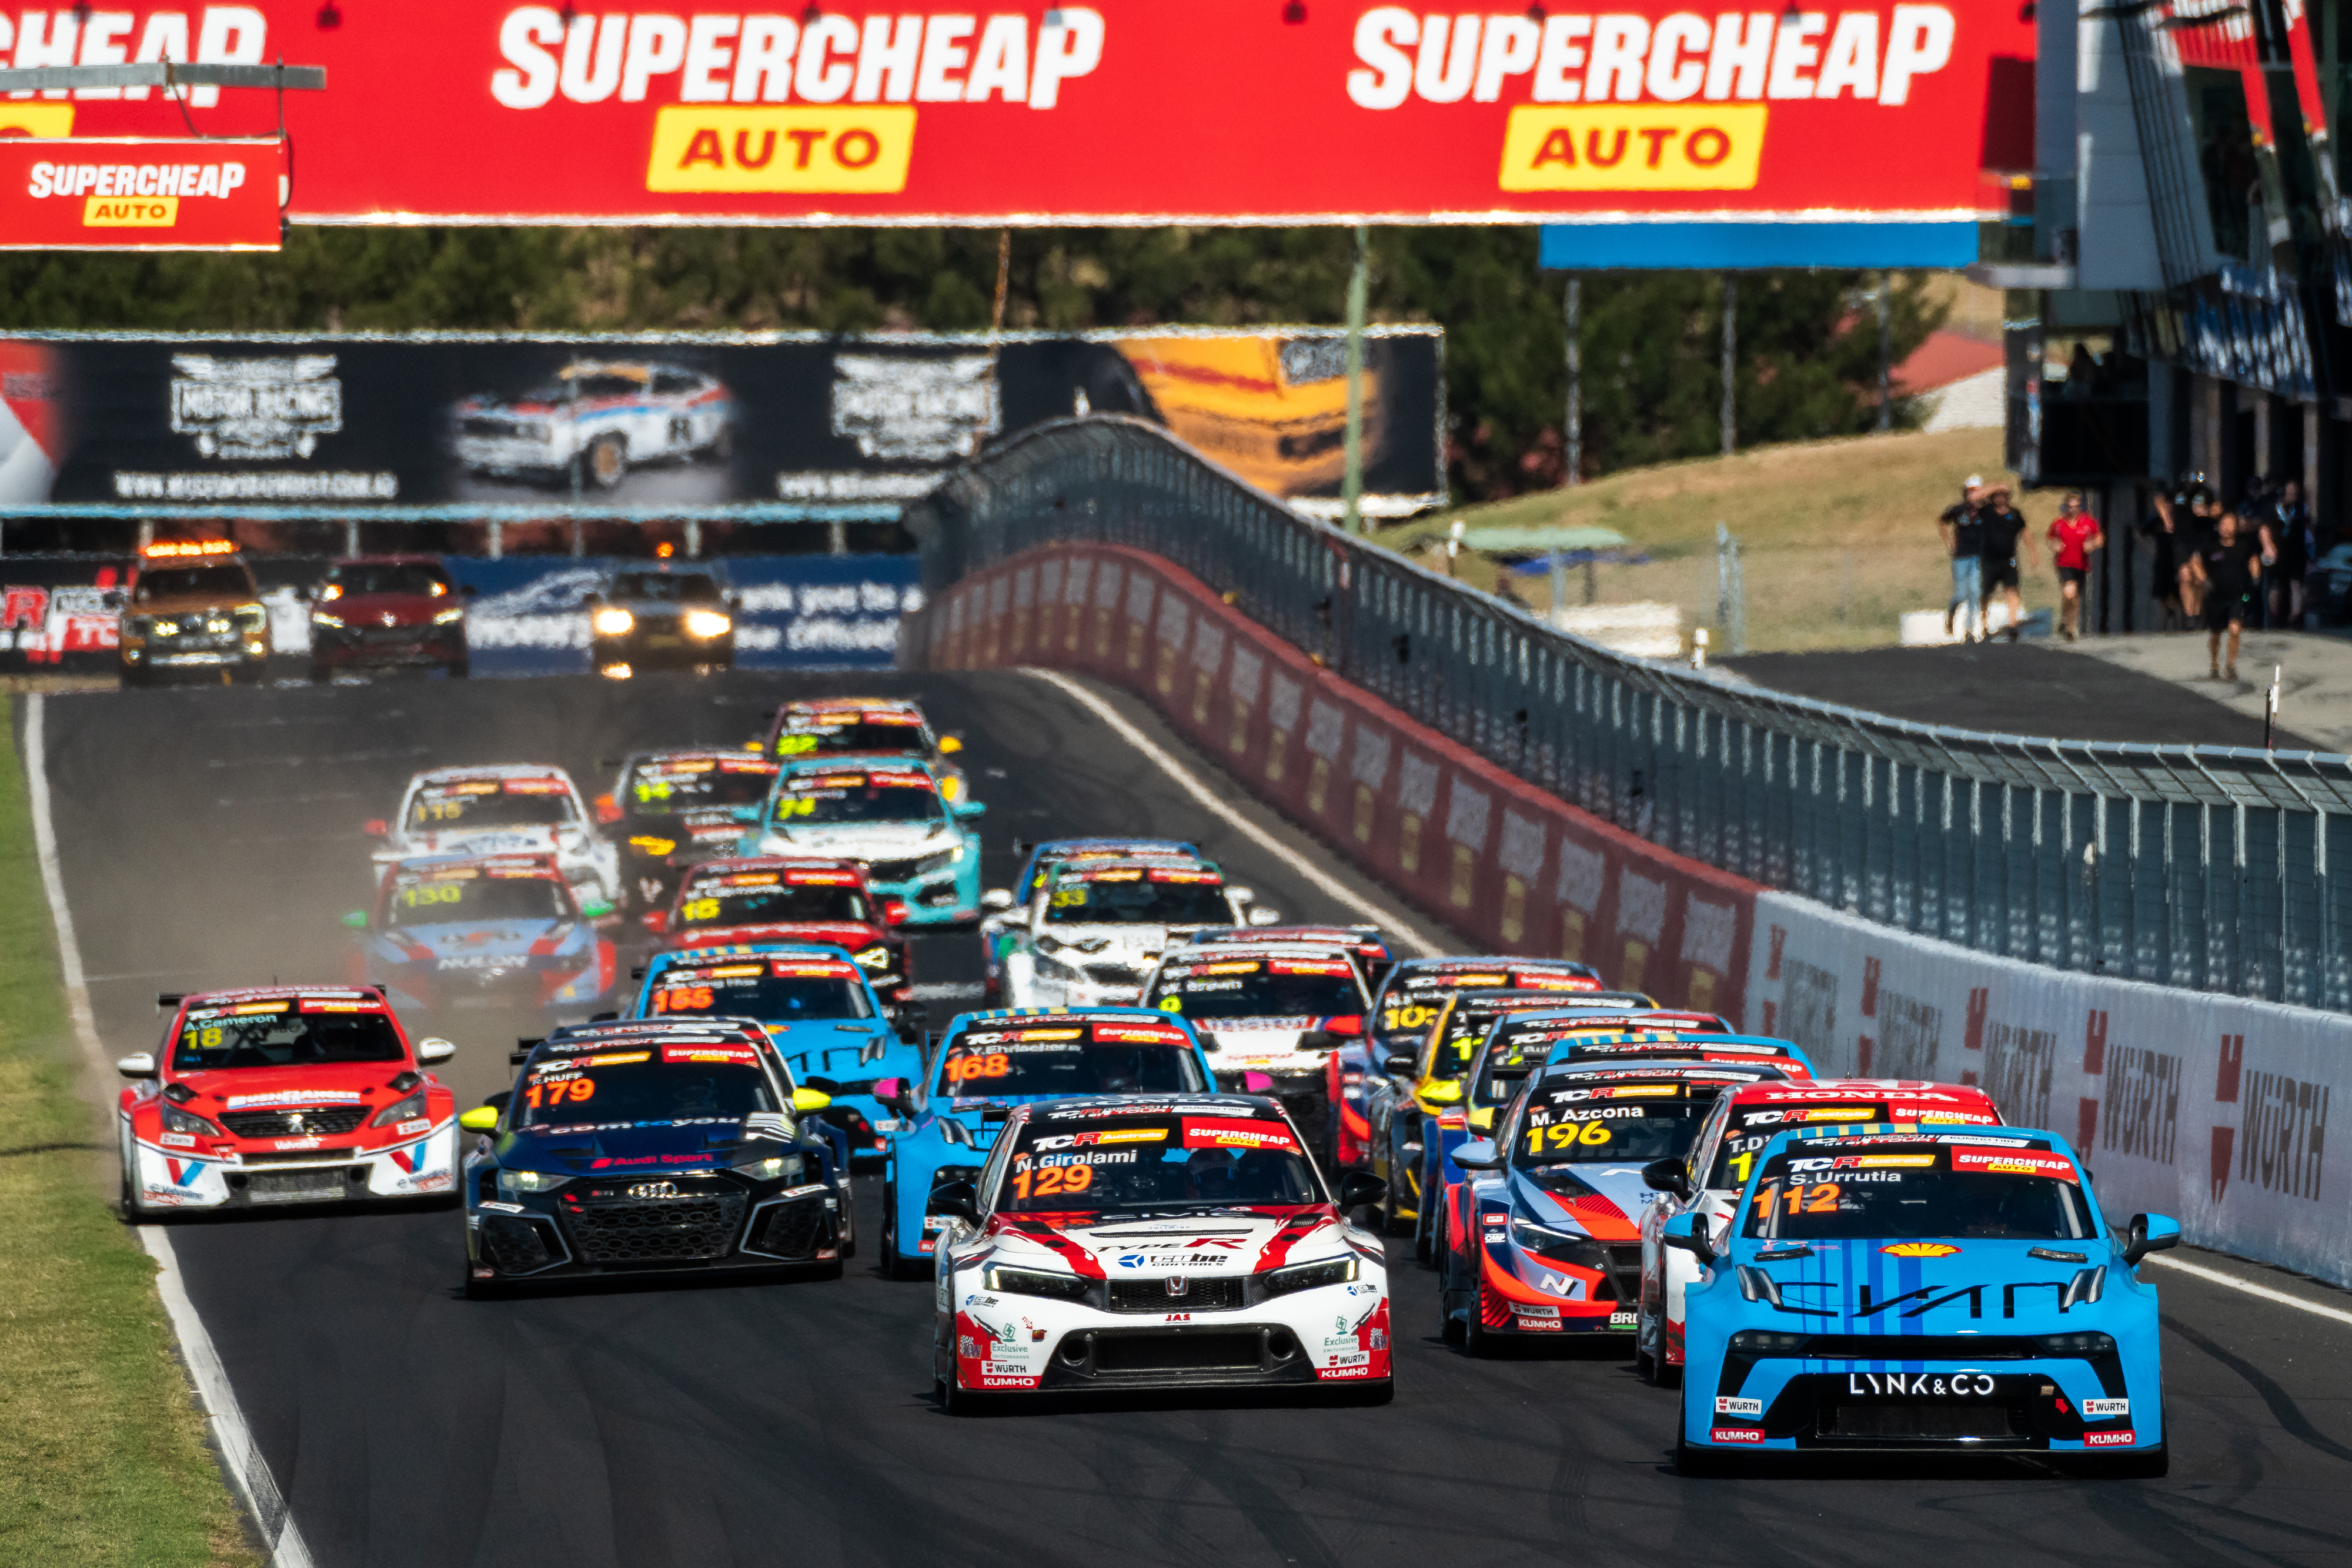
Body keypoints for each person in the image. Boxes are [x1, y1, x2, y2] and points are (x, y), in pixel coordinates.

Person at [2190, 510, 2262, 681]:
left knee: (2235, 630)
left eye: (2231, 524)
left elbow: (2253, 560)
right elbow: (2195, 562)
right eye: (2224, 524)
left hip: (2236, 597)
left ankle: (2230, 665)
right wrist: (2203, 579)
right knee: (2215, 634)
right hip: (2215, 598)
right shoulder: (2210, 547)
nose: (2227, 528)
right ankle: (2214, 664)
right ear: (2219, 526)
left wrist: (2256, 575)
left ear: (2236, 527)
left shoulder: (2243, 547)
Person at [1979, 485, 2038, 641]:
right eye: (1997, 496)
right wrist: (1995, 486)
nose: (2000, 499)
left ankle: (2013, 625)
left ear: (2008, 498)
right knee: (1986, 592)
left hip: (2009, 559)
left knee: (2012, 590)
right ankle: (1984, 625)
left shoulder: (2014, 514)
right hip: (1989, 559)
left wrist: (2033, 552)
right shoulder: (1986, 512)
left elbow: (2025, 533)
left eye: (2003, 496)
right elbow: (1975, 498)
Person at [2046, 491, 2103, 641]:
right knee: (2069, 592)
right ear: (2066, 508)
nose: (2073, 510)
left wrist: (2092, 544)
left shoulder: (2088, 522)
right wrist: (2055, 546)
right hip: (2064, 563)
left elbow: (2100, 538)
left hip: (2081, 564)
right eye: (2070, 507)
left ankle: (2069, 624)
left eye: (2076, 507)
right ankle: (2069, 625)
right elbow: (2050, 539)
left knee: (2075, 597)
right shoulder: (2059, 524)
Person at [1939, 476, 1987, 640]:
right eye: (1971, 491)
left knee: (1975, 592)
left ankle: (1970, 630)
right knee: (1960, 593)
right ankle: (1952, 613)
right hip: (1961, 555)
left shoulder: (1986, 511)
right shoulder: (1959, 510)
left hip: (1978, 556)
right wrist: (1950, 543)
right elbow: (1942, 521)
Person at [2140, 491, 2184, 630]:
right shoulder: (2156, 521)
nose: (2168, 507)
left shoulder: (2180, 521)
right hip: (2162, 561)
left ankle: (2180, 626)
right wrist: (2149, 549)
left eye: (2170, 504)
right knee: (2162, 596)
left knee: (2178, 597)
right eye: (2166, 504)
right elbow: (2142, 532)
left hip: (2178, 561)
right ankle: (2162, 628)